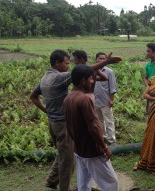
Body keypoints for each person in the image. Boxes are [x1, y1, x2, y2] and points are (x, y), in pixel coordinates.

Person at [30, 50, 121, 190]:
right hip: (69, 130)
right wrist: (106, 62)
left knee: (66, 156)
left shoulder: (51, 83)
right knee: (68, 161)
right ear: (57, 63)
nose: (68, 65)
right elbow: (93, 126)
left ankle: (52, 180)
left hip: (55, 124)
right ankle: (64, 188)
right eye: (66, 63)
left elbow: (33, 95)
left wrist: (47, 111)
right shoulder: (63, 80)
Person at [64, 64, 119, 191]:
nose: (92, 81)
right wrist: (104, 147)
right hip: (92, 150)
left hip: (79, 150)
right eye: (90, 79)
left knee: (83, 183)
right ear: (83, 81)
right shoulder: (84, 100)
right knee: (111, 183)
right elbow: (93, 127)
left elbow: (69, 125)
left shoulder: (68, 98)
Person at [94, 52, 117, 145]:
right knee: (99, 121)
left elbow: (112, 87)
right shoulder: (92, 71)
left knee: (109, 120)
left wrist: (111, 99)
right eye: (100, 59)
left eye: (104, 59)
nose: (102, 60)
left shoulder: (109, 71)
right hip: (95, 101)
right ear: (96, 59)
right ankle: (103, 138)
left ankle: (112, 140)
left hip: (106, 100)